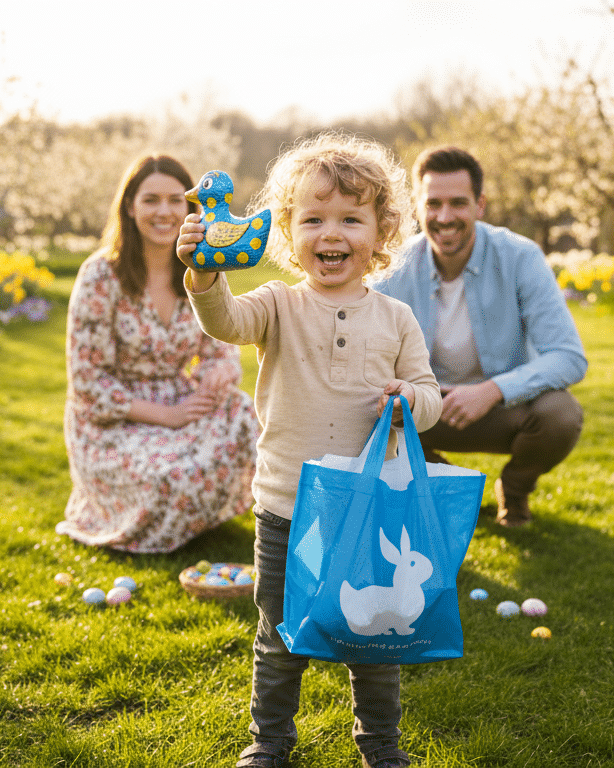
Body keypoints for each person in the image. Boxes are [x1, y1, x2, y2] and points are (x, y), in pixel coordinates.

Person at [176, 133, 440, 768]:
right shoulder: (277, 305)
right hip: (287, 507)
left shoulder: (396, 318)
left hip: (370, 506)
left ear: (381, 234)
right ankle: (269, 742)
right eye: (314, 218)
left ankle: (381, 744)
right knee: (279, 637)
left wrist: (407, 398)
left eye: (352, 219)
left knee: (374, 636)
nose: (333, 233)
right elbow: (225, 322)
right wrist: (204, 272)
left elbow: (430, 399)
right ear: (288, 234)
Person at [370, 146, 587, 528]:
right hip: (423, 409)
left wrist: (492, 390)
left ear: (480, 205)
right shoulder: (394, 267)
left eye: (458, 203)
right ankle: (441, 488)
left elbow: (568, 356)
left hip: (499, 409)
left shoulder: (521, 257)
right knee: (359, 408)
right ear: (418, 207)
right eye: (433, 204)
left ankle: (515, 489)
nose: (444, 217)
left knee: (561, 415)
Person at [57, 154, 258, 553]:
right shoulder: (100, 276)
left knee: (246, 417)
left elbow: (223, 345)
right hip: (114, 421)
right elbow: (87, 383)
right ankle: (165, 517)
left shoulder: (201, 267)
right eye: (151, 200)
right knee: (165, 476)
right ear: (130, 207)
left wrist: (218, 371)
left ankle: (210, 517)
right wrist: (167, 416)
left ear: (191, 207)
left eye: (174, 200)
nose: (164, 211)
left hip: (179, 398)